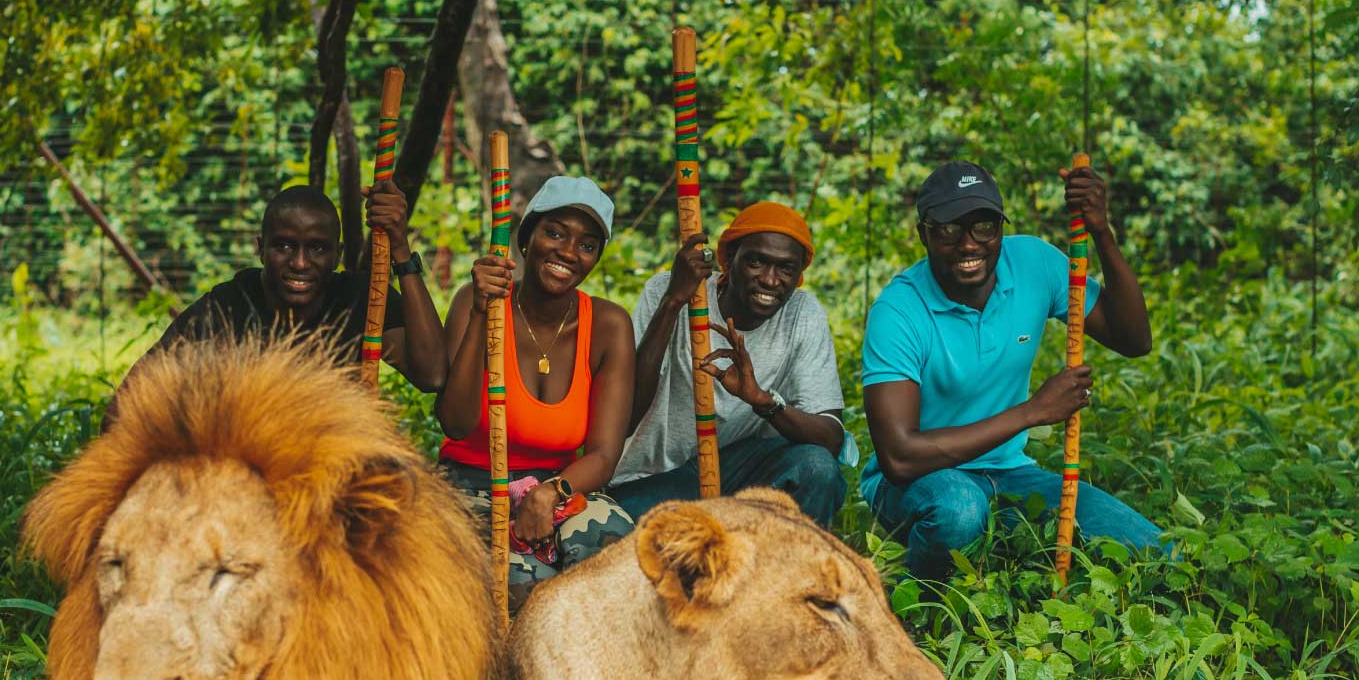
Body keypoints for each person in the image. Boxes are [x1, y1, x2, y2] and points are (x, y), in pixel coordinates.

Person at [861, 159, 1162, 580]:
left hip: (1009, 473)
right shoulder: (898, 311)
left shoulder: (1034, 263)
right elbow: (899, 458)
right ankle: (919, 595)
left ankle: (997, 543)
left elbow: (1134, 340)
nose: (969, 245)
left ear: (1001, 228)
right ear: (923, 234)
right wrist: (1032, 412)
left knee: (1156, 551)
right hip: (919, 481)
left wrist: (1101, 231)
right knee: (960, 510)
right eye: (949, 230)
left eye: (984, 227)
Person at [435, 176, 637, 605]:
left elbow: (603, 455)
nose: (568, 252)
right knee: (520, 591)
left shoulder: (609, 325)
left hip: (560, 486)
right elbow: (454, 422)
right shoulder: (478, 301)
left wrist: (550, 492)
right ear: (526, 238)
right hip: (471, 486)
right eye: (555, 233)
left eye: (586, 245)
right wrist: (480, 313)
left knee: (620, 563)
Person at [610, 201, 847, 526]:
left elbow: (830, 438)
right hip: (653, 477)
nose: (770, 280)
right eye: (756, 262)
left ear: (799, 276)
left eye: (786, 269)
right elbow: (626, 412)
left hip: (738, 471)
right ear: (729, 259)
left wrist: (763, 401)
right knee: (615, 542)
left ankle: (783, 559)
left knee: (816, 467)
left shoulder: (801, 314)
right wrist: (673, 302)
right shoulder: (672, 289)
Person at [135, 180, 448, 388]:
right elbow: (134, 394)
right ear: (261, 249)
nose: (299, 263)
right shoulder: (228, 306)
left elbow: (432, 375)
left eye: (317, 248)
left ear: (337, 255)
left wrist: (400, 249)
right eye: (284, 246)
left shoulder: (361, 300)